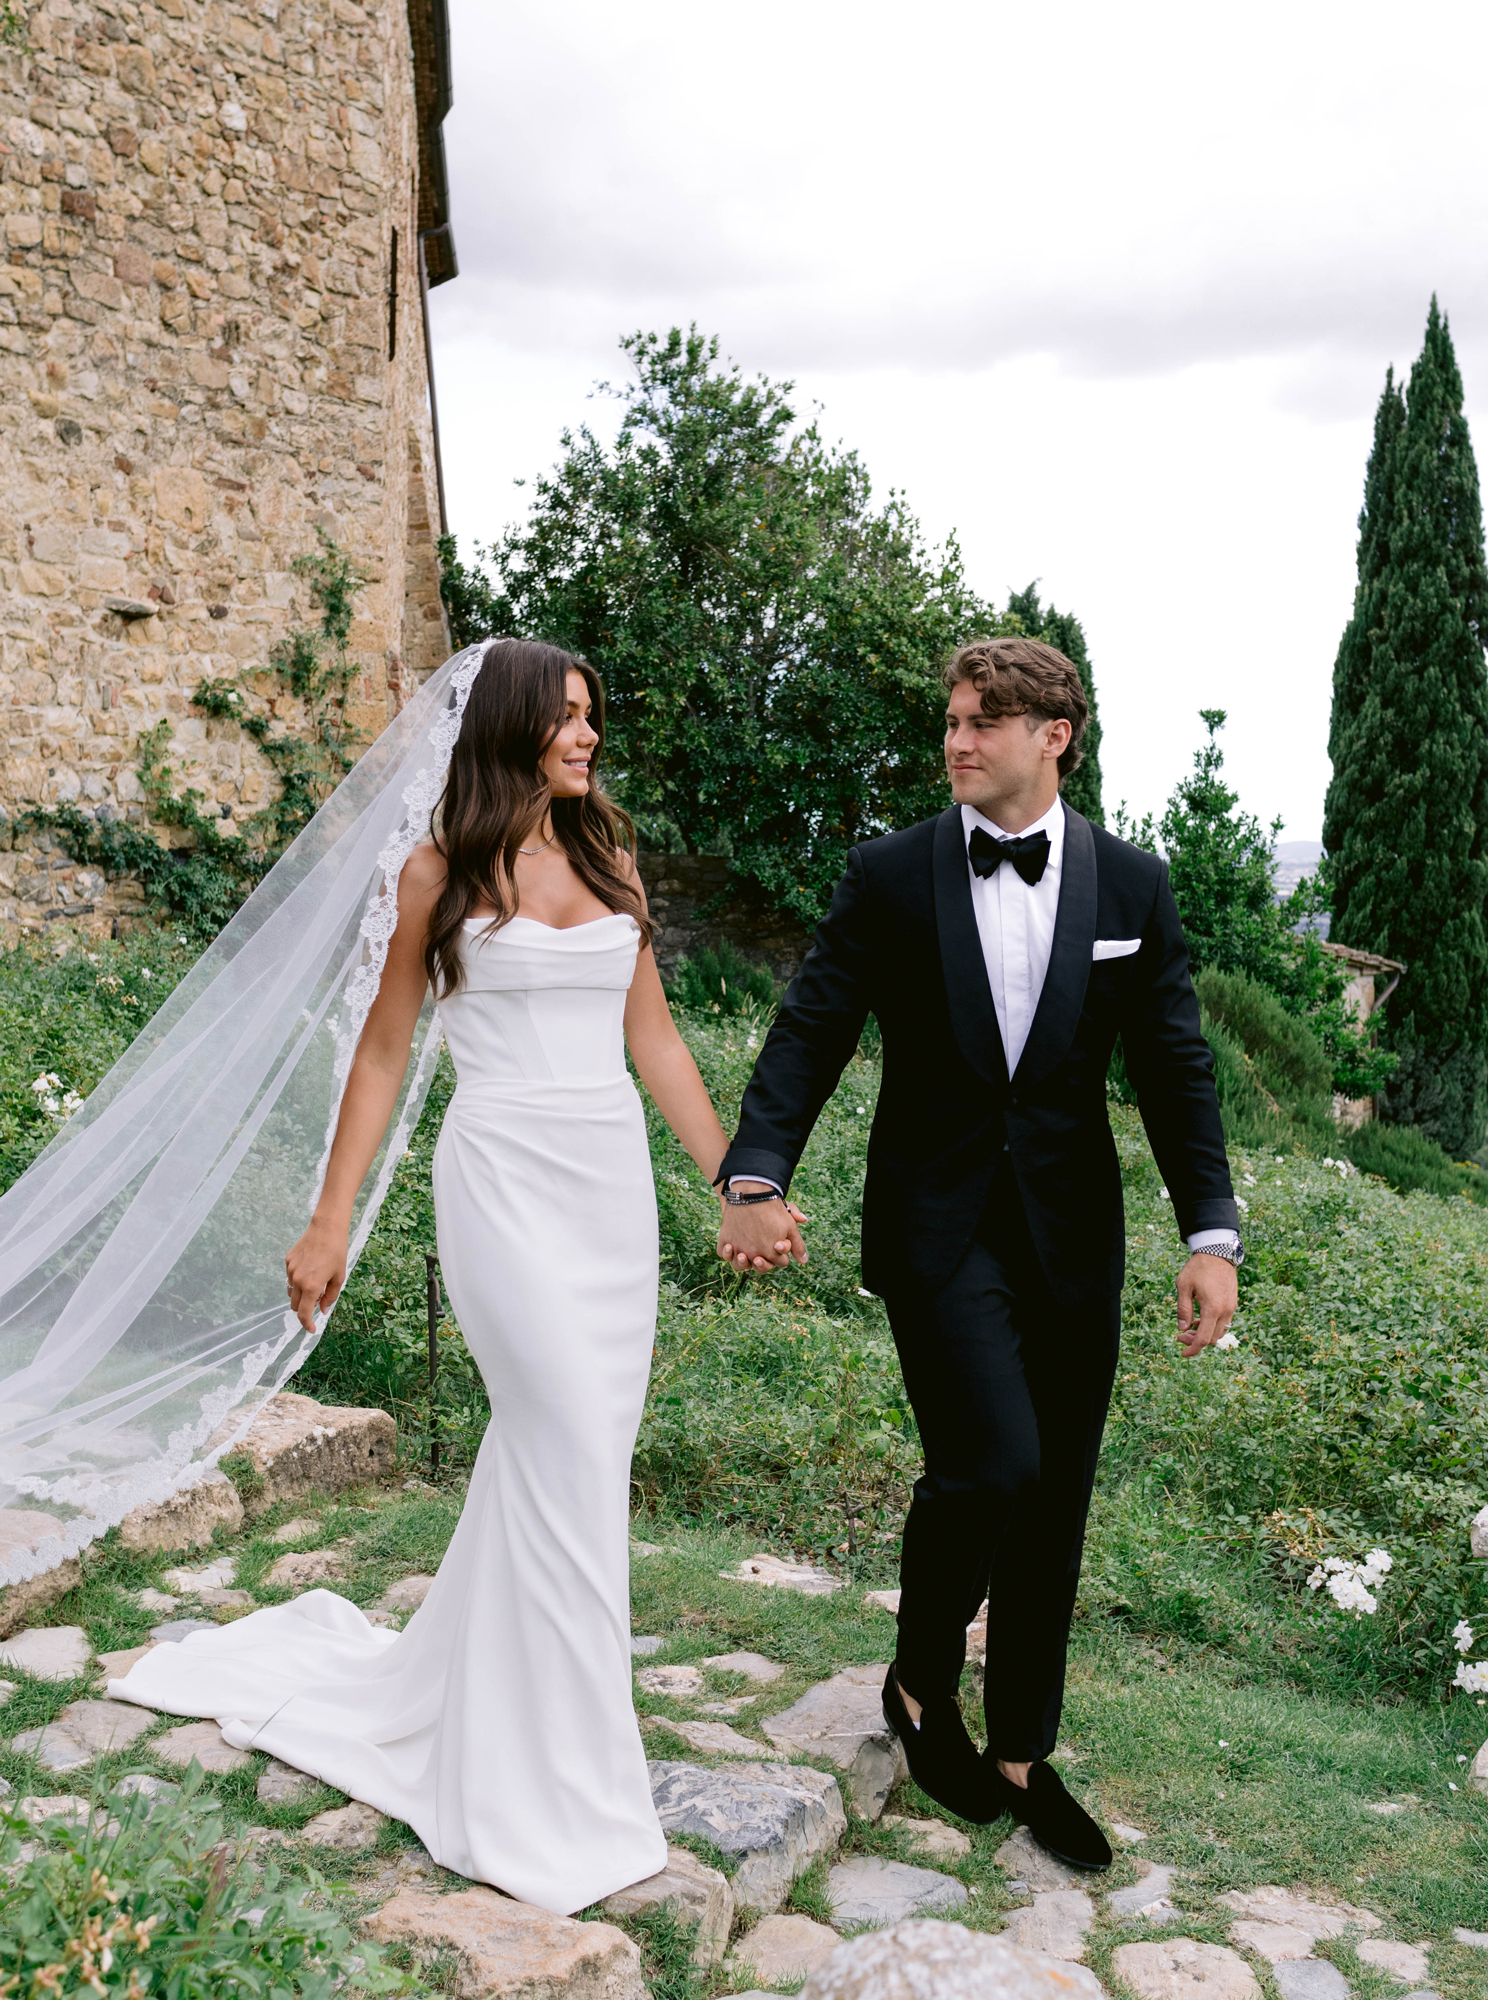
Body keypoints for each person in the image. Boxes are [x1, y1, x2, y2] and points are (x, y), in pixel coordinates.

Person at [112, 638, 743, 1916]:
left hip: (608, 1188)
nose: (588, 736)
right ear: (510, 726)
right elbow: (386, 1049)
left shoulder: (612, 863)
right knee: (558, 1432)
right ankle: (562, 1779)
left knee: (577, 1454)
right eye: (567, 717)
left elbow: (658, 1041)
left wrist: (738, 1181)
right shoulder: (436, 873)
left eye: (593, 717)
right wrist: (330, 1217)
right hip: (502, 1177)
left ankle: (515, 1712)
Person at [714, 637, 1240, 1869]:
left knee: (1055, 1494)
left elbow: (1176, 1067)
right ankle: (917, 1680)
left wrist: (1210, 1233)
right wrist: (756, 1171)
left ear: (1054, 736)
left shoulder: (1133, 886)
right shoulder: (890, 873)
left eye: (980, 722)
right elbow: (811, 1025)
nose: (955, 741)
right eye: (951, 720)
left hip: (1072, 1234)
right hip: (935, 1222)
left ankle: (1020, 1752)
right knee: (992, 1462)